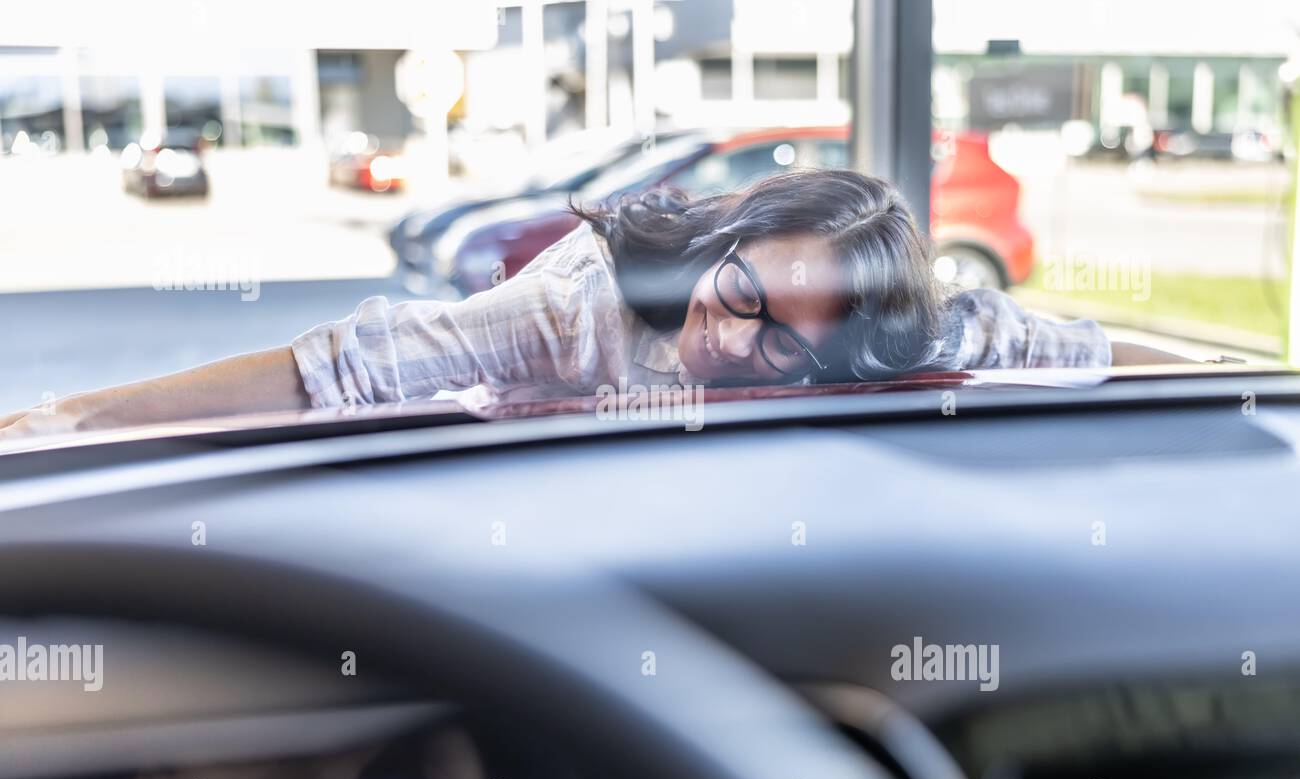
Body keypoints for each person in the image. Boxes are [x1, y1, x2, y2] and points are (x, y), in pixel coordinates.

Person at [0, 169, 1187, 442]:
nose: (732, 335)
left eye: (784, 345)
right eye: (736, 291)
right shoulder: (582, 306)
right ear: (719, 246)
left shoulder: (917, 338)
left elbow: (1096, 353)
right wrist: (61, 422)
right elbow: (338, 368)